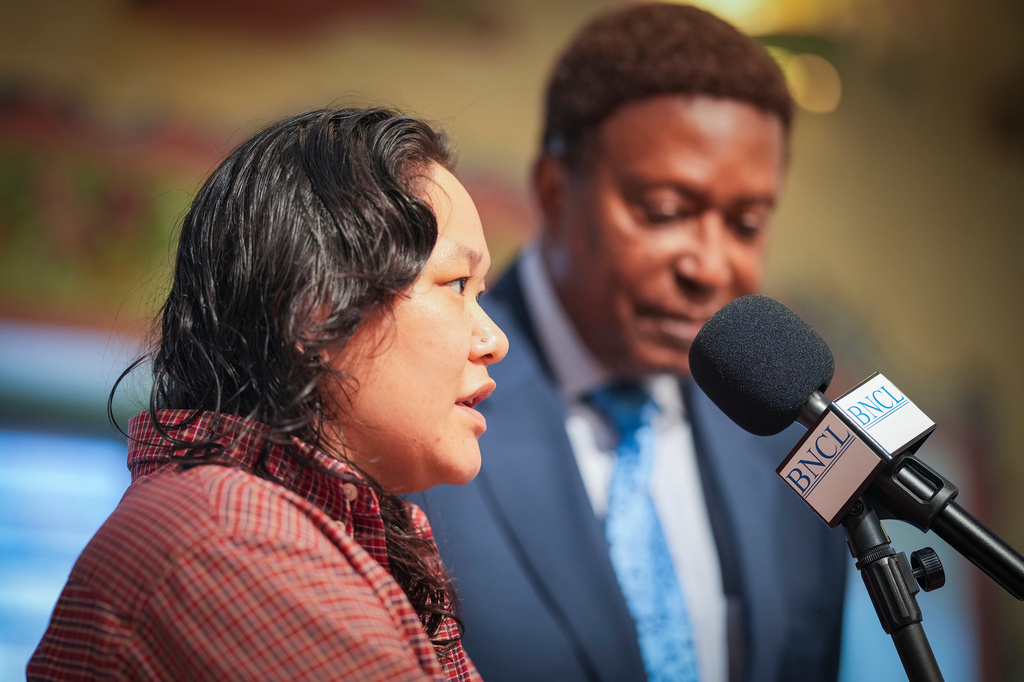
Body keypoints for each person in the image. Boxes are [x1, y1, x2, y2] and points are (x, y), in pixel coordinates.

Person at [410, 4, 848, 682]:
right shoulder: (420, 395)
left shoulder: (789, 429)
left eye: (746, 223)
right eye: (667, 212)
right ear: (555, 193)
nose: (708, 265)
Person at [28, 107, 507, 681]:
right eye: (456, 284)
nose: (493, 339)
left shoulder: (278, 526)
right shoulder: (231, 537)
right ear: (315, 306)